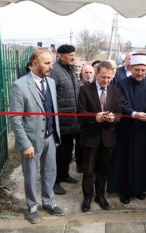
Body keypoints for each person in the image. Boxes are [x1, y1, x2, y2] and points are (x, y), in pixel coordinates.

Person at [10, 49, 67, 224]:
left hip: (50, 137)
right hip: (31, 141)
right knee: (31, 175)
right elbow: (15, 118)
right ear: (34, 64)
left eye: (51, 62)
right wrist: (25, 144)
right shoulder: (19, 86)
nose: (51, 66)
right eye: (47, 63)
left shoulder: (50, 82)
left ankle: (48, 203)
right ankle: (32, 207)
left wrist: (55, 136)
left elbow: (52, 110)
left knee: (50, 172)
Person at [107, 53, 146, 204]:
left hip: (143, 130)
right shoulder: (121, 84)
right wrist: (134, 114)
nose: (140, 73)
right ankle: (125, 190)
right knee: (125, 160)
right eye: (137, 70)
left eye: (143, 70)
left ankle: (139, 189)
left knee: (142, 160)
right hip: (126, 130)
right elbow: (121, 104)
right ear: (130, 68)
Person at [77, 61, 122, 212]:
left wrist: (113, 118)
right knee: (88, 170)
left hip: (108, 137)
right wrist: (95, 117)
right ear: (96, 74)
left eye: (109, 78)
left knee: (104, 169)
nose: (106, 81)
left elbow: (119, 113)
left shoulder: (115, 91)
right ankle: (88, 196)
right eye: (103, 77)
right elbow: (80, 112)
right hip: (90, 136)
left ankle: (100, 196)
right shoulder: (85, 90)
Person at [51, 44, 80, 195]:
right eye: (70, 55)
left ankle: (64, 174)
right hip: (60, 121)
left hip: (72, 121)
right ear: (61, 55)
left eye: (74, 54)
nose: (73, 57)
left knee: (68, 152)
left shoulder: (71, 69)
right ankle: (54, 182)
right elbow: (51, 96)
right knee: (57, 154)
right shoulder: (54, 71)